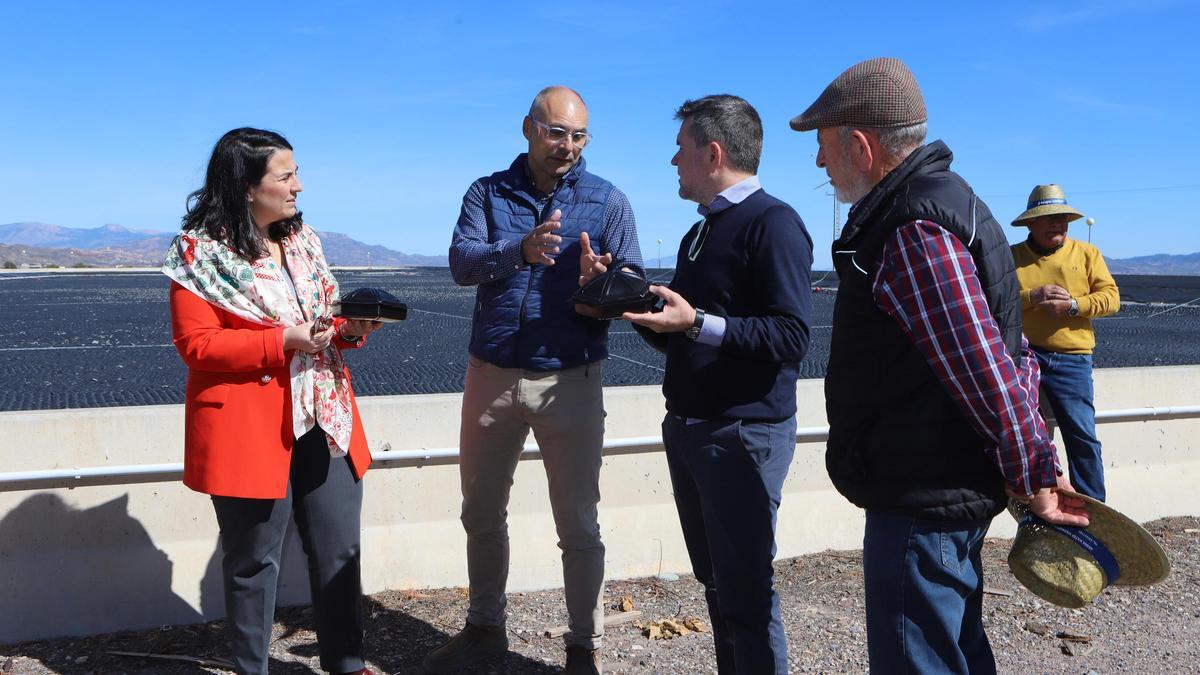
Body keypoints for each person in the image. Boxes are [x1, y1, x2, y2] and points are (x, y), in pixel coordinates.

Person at [789, 58, 1090, 673]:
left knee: (920, 657)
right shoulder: (954, 204)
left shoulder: (912, 227)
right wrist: (1030, 457)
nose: (819, 162)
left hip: (922, 492)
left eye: (822, 143)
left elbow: (985, 368)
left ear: (861, 144)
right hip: (942, 485)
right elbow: (1014, 352)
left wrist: (1033, 469)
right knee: (953, 649)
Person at [424, 86, 643, 675]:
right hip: (491, 375)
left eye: (578, 136)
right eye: (556, 133)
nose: (567, 147)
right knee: (481, 513)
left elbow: (633, 285)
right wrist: (518, 251)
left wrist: (603, 282)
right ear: (528, 129)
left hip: (570, 378)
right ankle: (484, 629)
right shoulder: (487, 192)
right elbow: (461, 263)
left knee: (578, 522)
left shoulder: (608, 200)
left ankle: (582, 649)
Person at [162, 128, 381, 675]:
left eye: (296, 173)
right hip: (248, 427)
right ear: (245, 186)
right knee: (254, 562)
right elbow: (198, 345)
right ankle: (250, 668)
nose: (298, 187)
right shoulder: (198, 253)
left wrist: (351, 329)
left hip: (322, 414)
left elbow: (323, 320)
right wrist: (282, 341)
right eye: (285, 176)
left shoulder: (304, 240)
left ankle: (347, 665)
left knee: (337, 552)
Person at [611, 94, 813, 674]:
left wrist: (697, 322)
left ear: (713, 152)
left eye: (681, 150)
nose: (673, 162)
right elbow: (682, 335)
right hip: (693, 429)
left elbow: (791, 336)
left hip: (742, 433)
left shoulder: (774, 223)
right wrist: (622, 298)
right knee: (718, 586)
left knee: (746, 591)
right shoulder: (700, 233)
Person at [1011, 184, 1120, 501]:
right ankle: (1036, 505)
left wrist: (1073, 306)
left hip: (1072, 359)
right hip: (1022, 355)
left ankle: (1093, 510)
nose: (1057, 223)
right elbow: (992, 301)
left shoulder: (1087, 254)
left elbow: (1111, 299)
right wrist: (1033, 296)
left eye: (1062, 217)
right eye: (1048, 217)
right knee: (1023, 434)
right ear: (1031, 223)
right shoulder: (1011, 257)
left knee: (1082, 436)